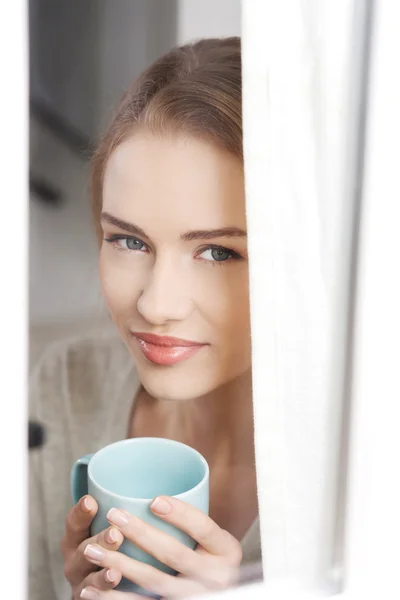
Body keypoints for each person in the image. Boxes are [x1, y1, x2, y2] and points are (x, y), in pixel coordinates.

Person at [29, 37, 262, 600]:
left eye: (218, 252)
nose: (157, 305)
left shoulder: (365, 483)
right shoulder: (67, 384)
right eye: (129, 240)